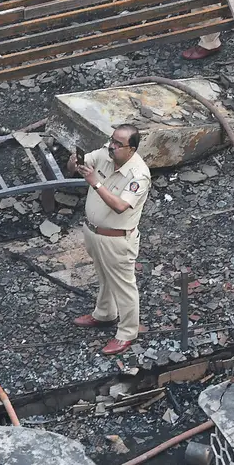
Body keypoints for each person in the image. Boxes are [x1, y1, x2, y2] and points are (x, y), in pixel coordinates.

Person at [66, 124, 151, 356]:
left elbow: (120, 206)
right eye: (111, 140)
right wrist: (75, 162)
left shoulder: (138, 175)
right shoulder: (105, 153)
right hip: (94, 232)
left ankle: (127, 332)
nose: (111, 146)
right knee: (103, 276)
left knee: (124, 286)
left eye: (117, 144)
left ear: (131, 149)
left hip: (117, 239)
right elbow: (76, 166)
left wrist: (95, 181)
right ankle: (104, 314)